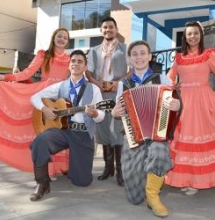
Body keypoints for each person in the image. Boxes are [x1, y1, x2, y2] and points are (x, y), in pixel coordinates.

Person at [0, 28, 71, 177]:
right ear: (54, 38)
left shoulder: (70, 58)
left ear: (67, 42)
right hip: (45, 96)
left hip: (62, 97)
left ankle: (61, 167)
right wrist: (7, 77)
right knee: (42, 131)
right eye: (59, 36)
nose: (62, 39)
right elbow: (27, 73)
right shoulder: (43, 55)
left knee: (61, 129)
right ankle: (44, 171)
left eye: (65, 38)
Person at [111, 40, 181, 217]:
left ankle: (153, 196)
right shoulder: (123, 83)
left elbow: (175, 101)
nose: (139, 57)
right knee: (134, 198)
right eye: (134, 54)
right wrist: (115, 112)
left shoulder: (162, 78)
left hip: (157, 132)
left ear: (149, 56)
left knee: (159, 150)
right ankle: (146, 176)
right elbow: (118, 109)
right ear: (129, 59)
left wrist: (176, 105)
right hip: (133, 135)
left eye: (143, 53)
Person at [29, 49, 105, 201]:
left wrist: (95, 114)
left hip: (83, 134)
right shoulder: (60, 86)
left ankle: (75, 166)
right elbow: (35, 97)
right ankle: (42, 182)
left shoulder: (94, 89)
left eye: (80, 61)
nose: (76, 64)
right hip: (63, 131)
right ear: (69, 65)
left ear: (85, 67)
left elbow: (101, 115)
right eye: (73, 61)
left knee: (82, 182)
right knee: (40, 141)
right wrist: (45, 108)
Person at [165, 21, 215, 195]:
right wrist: (174, 86)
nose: (192, 36)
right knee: (183, 139)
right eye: (189, 34)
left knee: (199, 138)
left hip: (204, 101)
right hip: (184, 103)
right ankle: (185, 179)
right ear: (185, 38)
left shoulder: (209, 54)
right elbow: (169, 77)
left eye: (195, 33)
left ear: (201, 36)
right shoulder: (179, 58)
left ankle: (197, 181)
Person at [86, 16, 127, 186]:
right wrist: (96, 84)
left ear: (116, 29)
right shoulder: (94, 50)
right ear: (101, 31)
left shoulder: (125, 49)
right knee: (102, 130)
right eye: (105, 27)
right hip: (100, 93)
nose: (108, 30)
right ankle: (108, 168)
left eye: (111, 27)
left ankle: (120, 171)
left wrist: (119, 82)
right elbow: (88, 72)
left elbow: (132, 71)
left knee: (117, 129)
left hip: (117, 92)